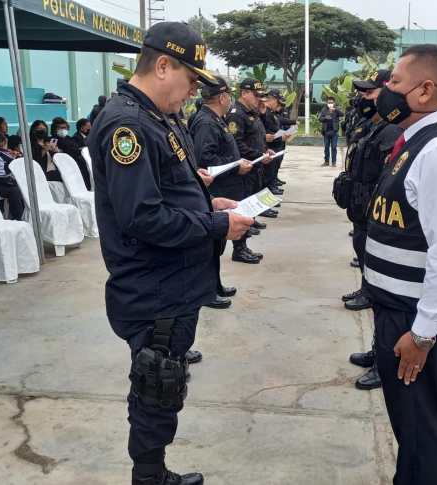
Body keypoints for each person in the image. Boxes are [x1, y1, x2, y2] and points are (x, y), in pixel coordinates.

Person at [88, 22, 254, 485]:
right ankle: (149, 477)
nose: (191, 93)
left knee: (162, 380)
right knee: (156, 383)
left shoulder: (154, 117)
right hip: (153, 287)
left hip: (172, 283)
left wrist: (209, 202)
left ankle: (153, 470)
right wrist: (218, 224)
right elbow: (142, 217)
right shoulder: (129, 124)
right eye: (189, 81)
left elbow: (165, 192)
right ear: (163, 65)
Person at [365, 44, 437, 485]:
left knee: (418, 425)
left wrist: (424, 332)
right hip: (397, 306)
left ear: (425, 89)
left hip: (414, 318)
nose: (385, 91)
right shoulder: (414, 142)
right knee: (406, 421)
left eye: (394, 82)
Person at [340, 69, 403, 391]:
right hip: (364, 213)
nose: (363, 99)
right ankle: (378, 351)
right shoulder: (374, 125)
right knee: (375, 290)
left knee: (384, 297)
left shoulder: (392, 131)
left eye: (369, 94)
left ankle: (384, 363)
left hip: (377, 218)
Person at [190, 75, 260, 273]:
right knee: (213, 243)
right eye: (229, 95)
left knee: (218, 243)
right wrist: (236, 166)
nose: (231, 100)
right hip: (219, 187)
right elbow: (205, 157)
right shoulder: (207, 122)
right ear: (222, 98)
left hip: (228, 184)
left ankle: (215, 285)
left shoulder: (215, 119)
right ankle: (211, 288)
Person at [226, 78, 277, 263]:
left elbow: (257, 137)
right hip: (245, 167)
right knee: (243, 207)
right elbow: (237, 144)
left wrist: (264, 150)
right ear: (244, 93)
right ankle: (239, 249)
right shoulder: (236, 114)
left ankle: (244, 244)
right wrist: (258, 154)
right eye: (255, 95)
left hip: (255, 165)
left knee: (251, 205)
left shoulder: (252, 113)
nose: (258, 99)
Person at [0, 131, 26, 220]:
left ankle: (21, 214)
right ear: (2, 143)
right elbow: (13, 160)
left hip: (0, 181)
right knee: (16, 190)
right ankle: (19, 217)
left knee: (20, 187)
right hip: (0, 182)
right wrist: (17, 154)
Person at [52, 116, 92, 190]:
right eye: (60, 128)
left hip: (78, 161)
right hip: (66, 164)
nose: (63, 130)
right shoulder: (54, 140)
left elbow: (76, 149)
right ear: (55, 129)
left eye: (65, 128)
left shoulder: (69, 138)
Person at [319, 97, 344, 167]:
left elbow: (342, 114)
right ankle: (326, 161)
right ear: (327, 103)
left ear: (334, 103)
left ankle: (334, 162)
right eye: (329, 102)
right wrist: (325, 118)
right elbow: (320, 118)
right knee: (326, 147)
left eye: (331, 102)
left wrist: (335, 109)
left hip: (334, 132)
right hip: (326, 132)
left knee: (334, 147)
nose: (330, 104)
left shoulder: (336, 109)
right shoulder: (324, 109)